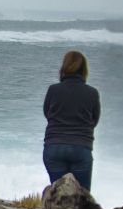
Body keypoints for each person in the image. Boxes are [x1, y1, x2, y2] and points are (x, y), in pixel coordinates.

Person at [43, 49, 100, 191]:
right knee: (82, 198)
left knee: (59, 196)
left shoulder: (53, 90)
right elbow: (94, 120)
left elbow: (47, 114)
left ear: (64, 67)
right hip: (81, 148)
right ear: (84, 70)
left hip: (54, 147)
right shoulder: (92, 93)